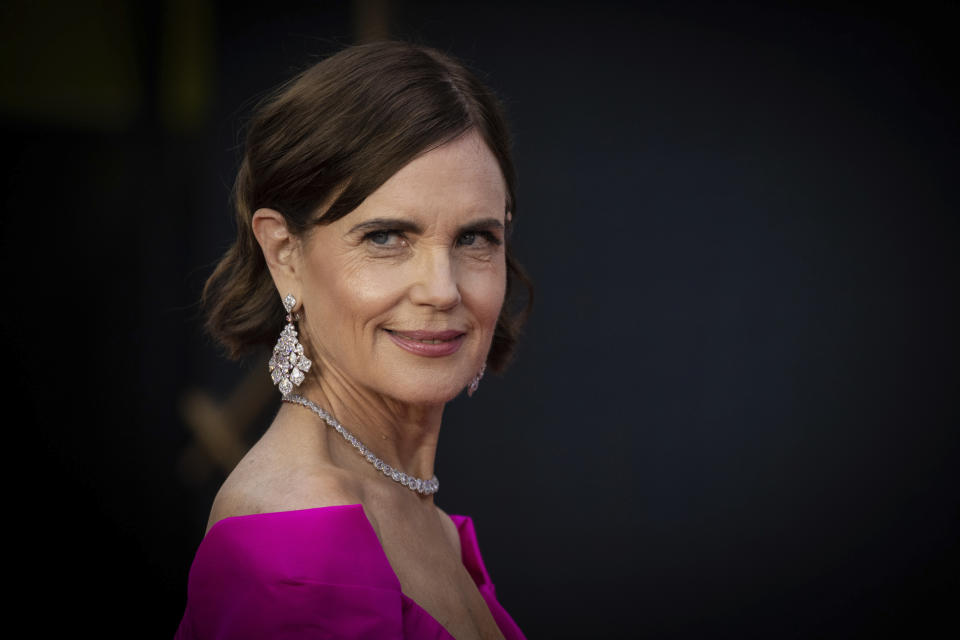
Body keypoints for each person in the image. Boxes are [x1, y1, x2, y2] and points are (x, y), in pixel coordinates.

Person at [175, 40, 531, 640]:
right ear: (285, 255)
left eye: (475, 238)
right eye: (387, 237)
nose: (442, 290)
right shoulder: (297, 551)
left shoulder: (429, 521)